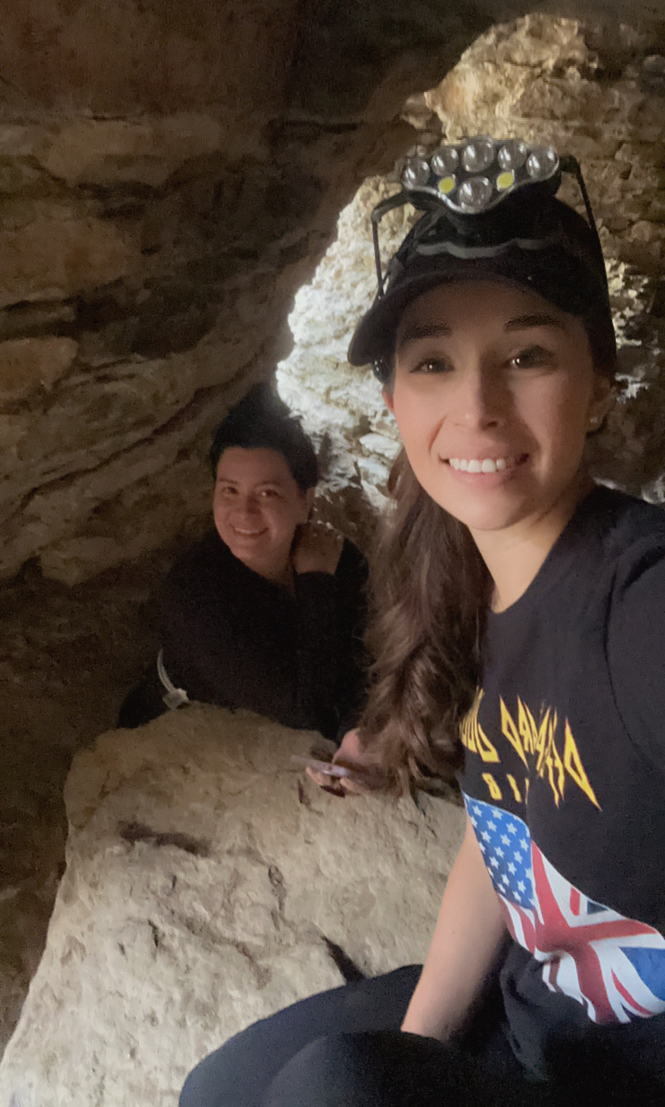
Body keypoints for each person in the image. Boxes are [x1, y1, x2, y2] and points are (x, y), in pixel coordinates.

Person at [179, 140, 665, 1105]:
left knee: (334, 1088)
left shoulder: (636, 601)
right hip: (531, 1013)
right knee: (222, 1091)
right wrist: (418, 1055)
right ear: (395, 400)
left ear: (599, 383)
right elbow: (505, 844)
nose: (476, 408)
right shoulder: (468, 581)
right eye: (433, 361)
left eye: (526, 355)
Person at [119, 384, 368, 743]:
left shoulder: (339, 560)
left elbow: (360, 661)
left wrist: (356, 729)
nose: (244, 513)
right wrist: (315, 582)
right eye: (229, 491)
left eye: (267, 493)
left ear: (305, 500)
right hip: (175, 737)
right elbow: (305, 711)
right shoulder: (196, 597)